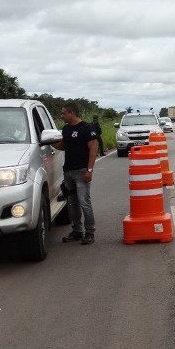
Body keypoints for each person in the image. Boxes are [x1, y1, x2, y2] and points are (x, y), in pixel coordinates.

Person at [53, 103, 98, 245]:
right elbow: (63, 146)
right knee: (72, 203)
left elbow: (93, 148)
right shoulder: (66, 129)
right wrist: (49, 143)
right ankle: (77, 231)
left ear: (71, 113)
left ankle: (90, 232)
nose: (61, 116)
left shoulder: (86, 128)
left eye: (63, 113)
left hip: (81, 171)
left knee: (84, 202)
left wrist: (89, 170)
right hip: (68, 172)